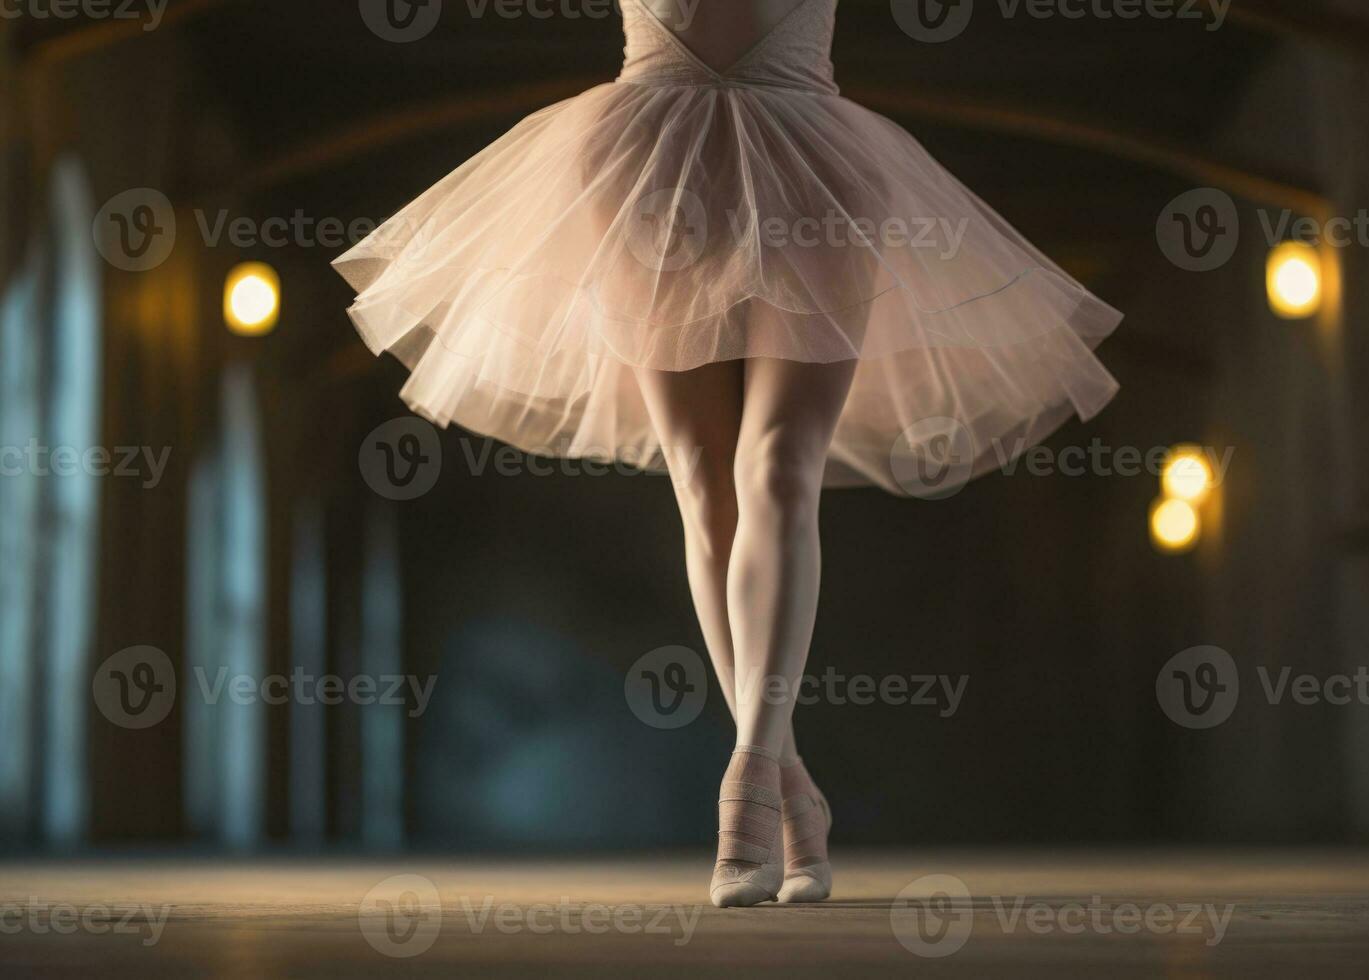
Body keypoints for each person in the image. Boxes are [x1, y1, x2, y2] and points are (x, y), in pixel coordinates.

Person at [334, 0, 1121, 907]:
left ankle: (748, 783)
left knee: (781, 462)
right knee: (705, 482)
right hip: (645, 158)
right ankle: (792, 789)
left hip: (811, 157)